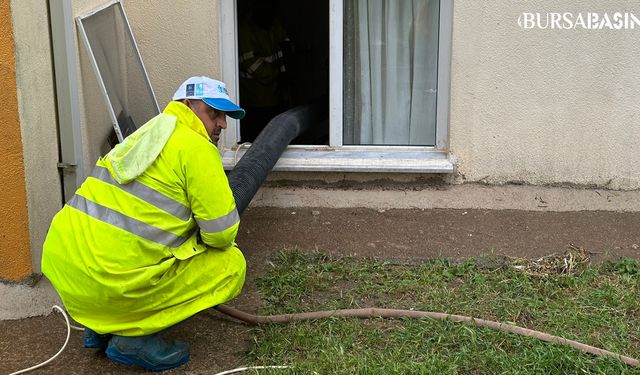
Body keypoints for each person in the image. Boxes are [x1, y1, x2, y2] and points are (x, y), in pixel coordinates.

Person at [41, 76, 247, 371]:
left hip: (70, 275)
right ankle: (132, 340)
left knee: (125, 253)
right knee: (231, 265)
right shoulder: (197, 148)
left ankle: (100, 327)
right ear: (187, 105)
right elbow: (221, 234)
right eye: (214, 113)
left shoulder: (146, 134)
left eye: (225, 116)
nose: (223, 124)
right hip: (109, 286)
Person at [238, 0, 292, 142]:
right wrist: (278, 74)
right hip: (254, 100)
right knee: (257, 140)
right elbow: (254, 66)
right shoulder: (245, 30)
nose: (269, 11)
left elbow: (285, 47)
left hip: (275, 97)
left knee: (275, 138)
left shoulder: (274, 24)